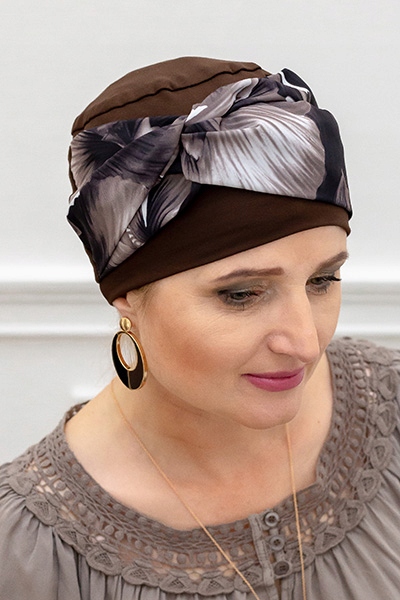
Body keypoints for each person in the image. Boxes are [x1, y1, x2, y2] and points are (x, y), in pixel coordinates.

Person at [0, 56, 399, 600]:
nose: (306, 343)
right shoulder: (24, 555)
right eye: (241, 294)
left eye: (323, 280)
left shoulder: (392, 409)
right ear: (126, 293)